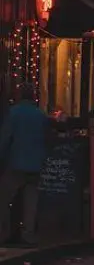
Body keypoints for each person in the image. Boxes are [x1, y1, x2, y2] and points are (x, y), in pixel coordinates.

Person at [0, 84, 49, 246]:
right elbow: (47, 138)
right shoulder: (40, 115)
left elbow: (5, 138)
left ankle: (4, 233)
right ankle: (28, 235)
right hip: (35, 164)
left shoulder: (13, 114)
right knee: (31, 202)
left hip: (16, 163)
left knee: (4, 199)